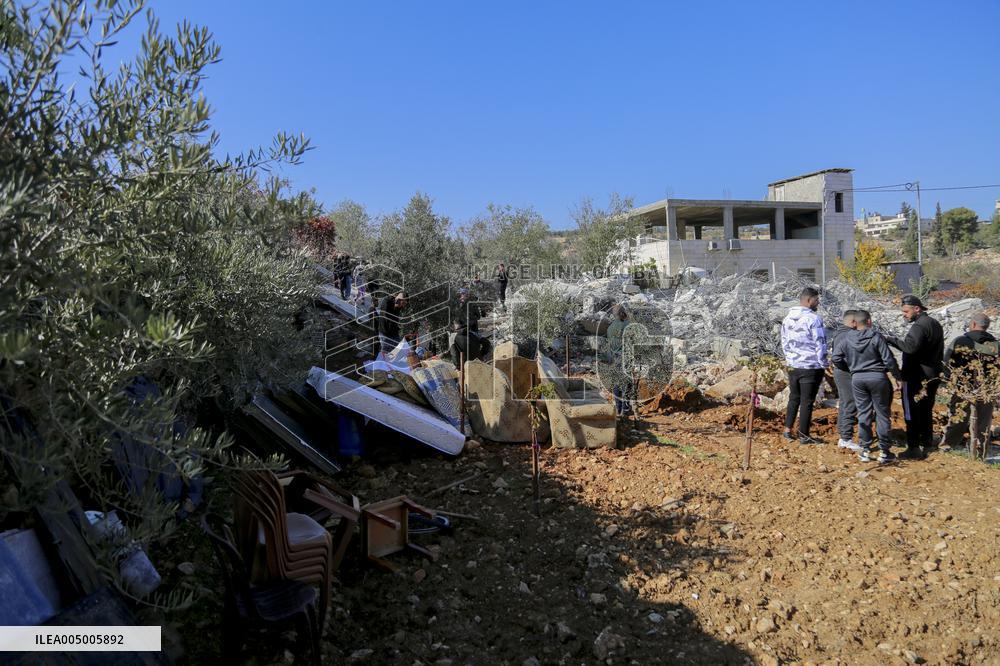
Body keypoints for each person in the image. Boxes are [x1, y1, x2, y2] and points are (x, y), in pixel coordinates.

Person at [832, 310, 902, 464]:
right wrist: (898, 377)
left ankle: (865, 450)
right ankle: (884, 451)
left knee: (864, 412)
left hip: (857, 379)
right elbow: (888, 359)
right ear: (869, 321)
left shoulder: (846, 338)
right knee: (882, 413)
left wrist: (850, 367)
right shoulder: (876, 337)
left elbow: (835, 357)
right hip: (877, 377)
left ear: (855, 323)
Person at [886, 295, 944, 459]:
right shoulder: (934, 323)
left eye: (906, 311)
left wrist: (890, 340)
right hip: (932, 375)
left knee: (911, 411)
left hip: (916, 376)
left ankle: (913, 447)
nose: (904, 314)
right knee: (925, 409)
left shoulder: (919, 326)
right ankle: (927, 442)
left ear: (916, 309)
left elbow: (910, 348)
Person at [940, 312, 998, 450]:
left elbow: (946, 363)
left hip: (963, 387)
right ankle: (979, 451)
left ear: (972, 324)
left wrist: (947, 382)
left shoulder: (960, 341)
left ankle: (947, 446)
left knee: (958, 418)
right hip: (986, 389)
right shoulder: (996, 345)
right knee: (984, 422)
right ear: (987, 326)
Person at [780, 287, 828, 444]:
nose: (818, 302)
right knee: (807, 401)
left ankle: (787, 430)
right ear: (809, 300)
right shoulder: (814, 319)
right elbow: (820, 343)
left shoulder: (788, 318)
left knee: (794, 398)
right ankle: (804, 435)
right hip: (810, 366)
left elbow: (784, 342)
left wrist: (790, 360)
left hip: (793, 365)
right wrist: (823, 363)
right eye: (816, 299)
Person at [830, 310, 861, 451]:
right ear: (853, 322)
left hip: (841, 372)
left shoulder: (839, 333)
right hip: (845, 373)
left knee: (845, 401)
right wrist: (852, 368)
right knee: (850, 402)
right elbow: (839, 357)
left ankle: (843, 433)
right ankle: (845, 438)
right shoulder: (846, 335)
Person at [605, 304, 630, 416]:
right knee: (627, 382)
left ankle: (619, 409)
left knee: (616, 383)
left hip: (614, 357)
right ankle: (625, 408)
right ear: (621, 313)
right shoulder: (626, 324)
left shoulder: (610, 328)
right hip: (625, 356)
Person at [375, 291, 409, 358]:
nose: (403, 305)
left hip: (394, 333)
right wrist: (396, 299)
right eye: (403, 302)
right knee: (384, 352)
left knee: (397, 351)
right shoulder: (387, 301)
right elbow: (386, 317)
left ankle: (390, 364)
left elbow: (395, 319)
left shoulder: (399, 307)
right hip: (385, 333)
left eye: (404, 303)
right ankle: (381, 364)